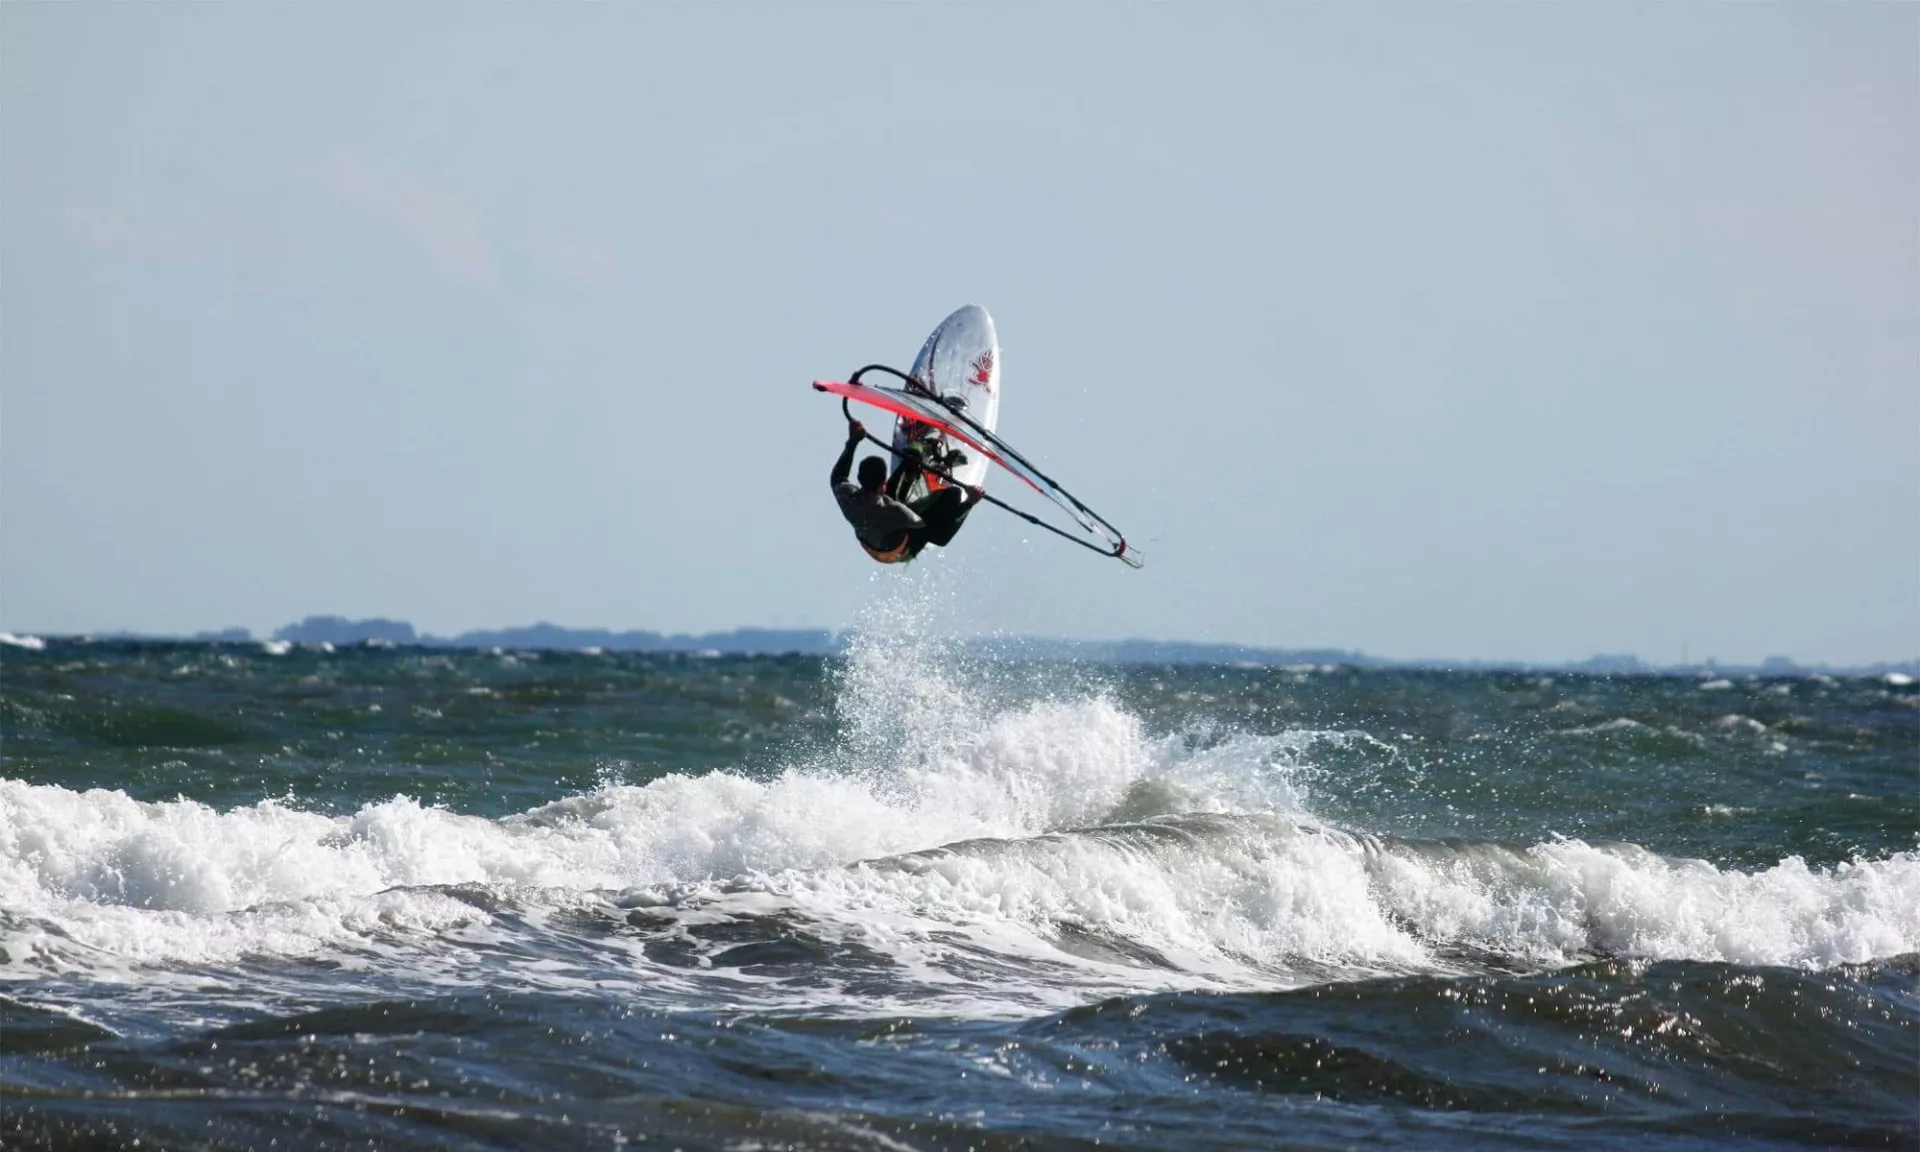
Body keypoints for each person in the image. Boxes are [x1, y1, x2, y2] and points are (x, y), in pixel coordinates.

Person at [831, 420, 982, 563]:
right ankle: (939, 466)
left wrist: (852, 442)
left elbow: (837, 477)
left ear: (859, 479)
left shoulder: (848, 496)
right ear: (883, 485)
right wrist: (969, 502)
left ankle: (915, 459)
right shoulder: (898, 512)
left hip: (875, 533)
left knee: (910, 461)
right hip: (900, 551)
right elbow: (941, 538)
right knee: (953, 495)